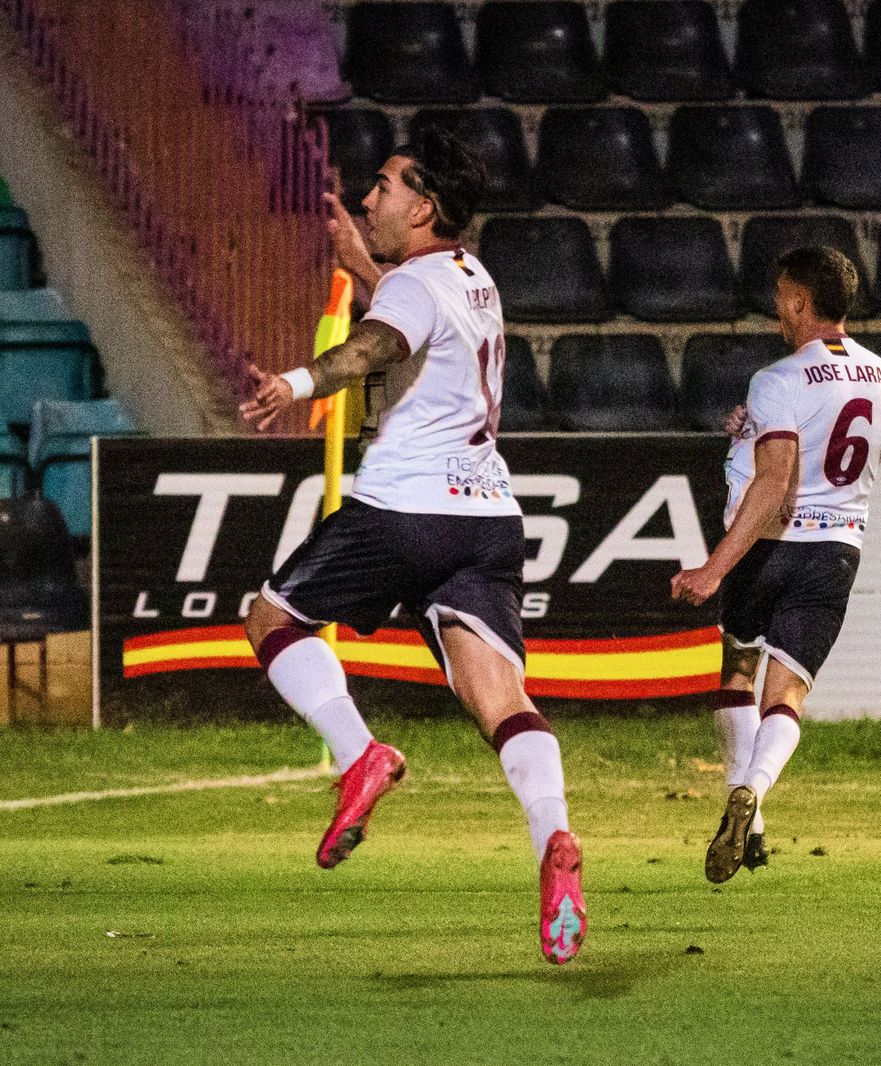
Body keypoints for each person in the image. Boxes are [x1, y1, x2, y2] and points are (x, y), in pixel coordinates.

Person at [239, 126, 586, 964]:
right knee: (502, 701)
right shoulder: (472, 276)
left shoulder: (413, 288)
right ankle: (555, 837)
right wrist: (363, 265)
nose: (369, 197)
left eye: (386, 186)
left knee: (271, 617)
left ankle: (360, 756)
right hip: (488, 517)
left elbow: (378, 344)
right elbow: (415, 315)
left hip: (404, 507)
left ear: (423, 206)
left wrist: (293, 383)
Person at [672, 247, 881, 885]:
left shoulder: (778, 378)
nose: (776, 307)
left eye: (781, 295)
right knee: (788, 695)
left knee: (739, 671)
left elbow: (775, 482)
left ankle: (747, 809)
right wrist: (749, 430)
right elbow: (829, 441)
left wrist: (714, 568)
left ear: (801, 301)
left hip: (769, 548)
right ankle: (754, 793)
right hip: (836, 551)